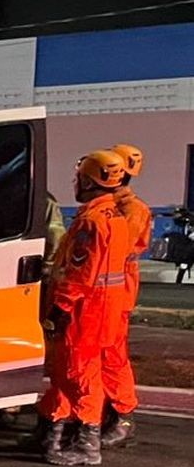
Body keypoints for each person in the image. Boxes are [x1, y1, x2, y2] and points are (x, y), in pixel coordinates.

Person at [36, 150, 135, 465]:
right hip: (102, 312)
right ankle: (55, 434)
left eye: (78, 178)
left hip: (84, 313)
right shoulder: (113, 217)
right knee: (71, 375)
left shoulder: (91, 222)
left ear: (91, 182)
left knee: (80, 376)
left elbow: (79, 273)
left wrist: (59, 309)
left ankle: (87, 444)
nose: (74, 184)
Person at [97, 143, 152, 446]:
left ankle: (123, 414)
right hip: (105, 290)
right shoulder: (109, 207)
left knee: (113, 354)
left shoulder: (132, 210)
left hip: (115, 291)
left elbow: (115, 250)